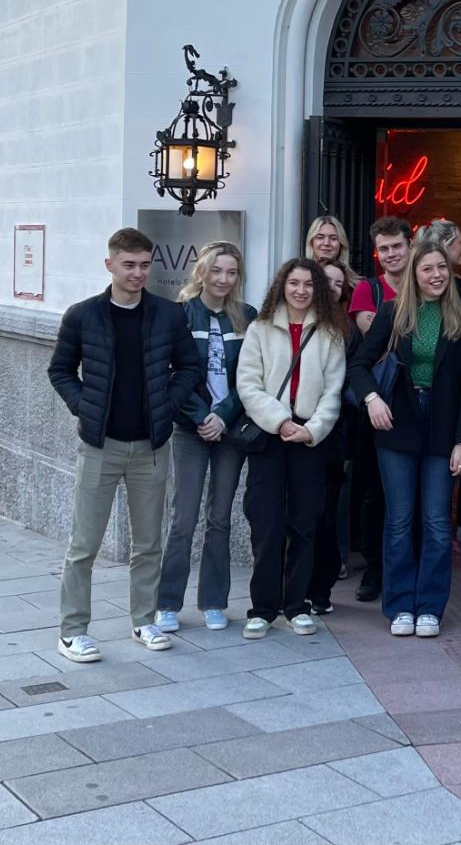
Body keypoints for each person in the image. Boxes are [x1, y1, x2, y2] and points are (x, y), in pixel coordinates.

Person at [48, 227, 201, 664]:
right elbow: (60, 370)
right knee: (84, 544)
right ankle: (73, 630)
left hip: (151, 446)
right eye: (129, 265)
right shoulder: (82, 316)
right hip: (100, 445)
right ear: (110, 264)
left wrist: (168, 408)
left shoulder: (169, 316)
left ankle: (144, 620)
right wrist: (85, 407)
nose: (137, 273)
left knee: (148, 542)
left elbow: (188, 367)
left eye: (144, 265)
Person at [348, 240, 461, 637]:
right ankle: (401, 605)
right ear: (414, 275)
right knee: (400, 520)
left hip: (443, 429)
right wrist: (371, 399)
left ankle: (430, 607)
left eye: (442, 267)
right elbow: (358, 364)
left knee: (438, 522)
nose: (436, 275)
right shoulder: (391, 313)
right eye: (427, 269)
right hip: (397, 424)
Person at [236, 258, 348, 639]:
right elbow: (248, 384)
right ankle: (263, 608)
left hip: (310, 440)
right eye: (293, 283)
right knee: (266, 523)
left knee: (305, 523)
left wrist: (312, 429)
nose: (301, 290)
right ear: (282, 286)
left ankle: (297, 605)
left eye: (308, 284)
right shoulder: (260, 328)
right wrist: (280, 420)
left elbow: (334, 391)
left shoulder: (331, 333)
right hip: (270, 435)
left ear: (318, 289)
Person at [157, 242, 256, 635]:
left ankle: (214, 601)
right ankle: (167, 603)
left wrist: (224, 415)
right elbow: (173, 374)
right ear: (203, 271)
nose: (223, 279)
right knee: (183, 519)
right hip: (190, 431)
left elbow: (252, 376)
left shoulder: (247, 317)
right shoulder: (180, 315)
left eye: (231, 273)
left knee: (219, 518)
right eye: (217, 271)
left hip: (230, 430)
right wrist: (202, 416)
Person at [348, 216, 413, 602]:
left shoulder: (431, 285)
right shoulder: (367, 291)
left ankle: (408, 566)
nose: (390, 255)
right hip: (380, 404)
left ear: (410, 245)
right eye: (383, 249)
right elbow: (374, 342)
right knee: (376, 493)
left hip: (420, 406)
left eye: (396, 247)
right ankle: (375, 569)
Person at [417, 219, 461, 546]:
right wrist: (372, 397)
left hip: (448, 413)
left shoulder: (460, 304)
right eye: (459, 242)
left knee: (434, 514)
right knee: (402, 514)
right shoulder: (401, 310)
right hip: (403, 417)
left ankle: (431, 594)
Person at [307, 261, 356, 616]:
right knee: (299, 513)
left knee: (326, 513)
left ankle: (321, 591)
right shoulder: (295, 320)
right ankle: (293, 586)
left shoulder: (348, 328)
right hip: (295, 431)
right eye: (327, 280)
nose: (333, 287)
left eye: (340, 283)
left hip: (335, 434)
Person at [306, 215, 361, 294]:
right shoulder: (300, 281)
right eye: (320, 237)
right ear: (311, 243)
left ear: (341, 244)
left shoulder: (357, 286)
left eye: (333, 238)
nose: (326, 243)